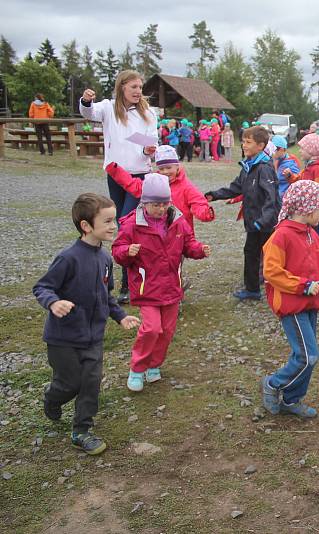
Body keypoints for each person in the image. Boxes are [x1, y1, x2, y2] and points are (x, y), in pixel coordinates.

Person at [33, 193, 141, 454]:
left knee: (91, 383)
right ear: (86, 226)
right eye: (107, 221)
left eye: (113, 220)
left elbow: (106, 295)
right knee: (70, 383)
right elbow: (43, 286)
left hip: (93, 338)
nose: (113, 226)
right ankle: (53, 397)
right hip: (63, 339)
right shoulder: (68, 258)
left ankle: (82, 430)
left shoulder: (105, 259)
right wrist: (53, 303)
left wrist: (120, 316)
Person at [112, 174, 210, 392]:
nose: (160, 208)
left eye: (165, 203)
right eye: (155, 204)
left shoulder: (177, 221)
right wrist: (127, 251)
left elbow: (188, 244)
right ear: (144, 203)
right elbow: (117, 251)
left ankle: (154, 365)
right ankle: (137, 369)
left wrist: (199, 250)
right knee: (151, 328)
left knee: (166, 331)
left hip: (171, 287)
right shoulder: (131, 225)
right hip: (147, 288)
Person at [79, 70, 158, 304]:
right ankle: (121, 280)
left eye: (140, 87)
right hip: (115, 174)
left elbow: (151, 140)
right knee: (118, 222)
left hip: (139, 176)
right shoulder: (108, 108)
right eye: (133, 87)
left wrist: (147, 149)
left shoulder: (148, 113)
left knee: (127, 224)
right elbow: (88, 113)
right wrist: (86, 100)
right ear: (121, 87)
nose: (138, 91)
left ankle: (128, 284)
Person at [260, 180, 319, 419]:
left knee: (305, 356)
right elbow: (271, 272)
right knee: (307, 356)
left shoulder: (311, 234)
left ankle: (292, 400)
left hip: (309, 303)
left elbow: (317, 271)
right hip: (291, 305)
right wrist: (302, 286)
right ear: (306, 209)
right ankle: (272, 383)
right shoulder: (281, 236)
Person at [205, 126, 280, 300]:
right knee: (251, 253)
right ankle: (253, 289)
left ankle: (279, 289)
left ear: (261, 146)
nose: (244, 145)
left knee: (272, 257)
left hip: (264, 224)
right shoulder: (248, 166)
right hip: (254, 222)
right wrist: (214, 195)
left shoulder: (264, 168)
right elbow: (236, 187)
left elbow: (272, 198)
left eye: (248, 142)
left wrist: (263, 220)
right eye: (243, 142)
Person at [105, 145, 215, 231]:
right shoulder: (153, 182)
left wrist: (205, 213)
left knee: (173, 259)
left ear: (177, 166)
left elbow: (198, 202)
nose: (165, 172)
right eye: (161, 169)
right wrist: (115, 171)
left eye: (168, 167)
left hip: (179, 234)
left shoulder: (187, 187)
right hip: (155, 232)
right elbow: (134, 185)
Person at [297, 133, 319, 274]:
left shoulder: (317, 168)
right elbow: (300, 180)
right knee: (313, 239)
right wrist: (290, 177)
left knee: (318, 241)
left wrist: (316, 210)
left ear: (311, 151)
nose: (300, 151)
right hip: (309, 211)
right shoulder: (309, 166)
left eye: (303, 148)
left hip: (315, 213)